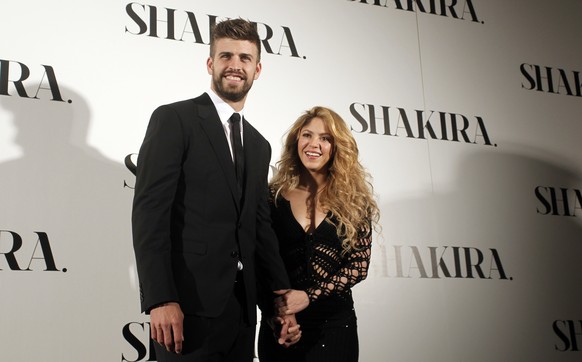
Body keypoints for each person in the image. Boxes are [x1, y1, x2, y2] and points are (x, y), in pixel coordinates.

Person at [132, 18, 299, 361]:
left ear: (258, 69)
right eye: (226, 56)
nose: (235, 65)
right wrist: (161, 299)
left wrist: (279, 298)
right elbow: (150, 214)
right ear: (211, 63)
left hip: (241, 314)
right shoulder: (174, 120)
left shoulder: (258, 144)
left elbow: (259, 228)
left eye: (244, 58)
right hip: (185, 311)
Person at [257, 106, 380, 362]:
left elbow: (358, 267)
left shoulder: (355, 202)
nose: (314, 144)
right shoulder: (271, 197)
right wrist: (274, 314)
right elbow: (258, 262)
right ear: (296, 140)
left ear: (337, 147)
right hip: (281, 327)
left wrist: (308, 297)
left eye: (325, 138)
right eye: (307, 135)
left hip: (335, 326)